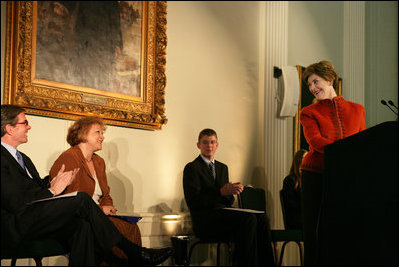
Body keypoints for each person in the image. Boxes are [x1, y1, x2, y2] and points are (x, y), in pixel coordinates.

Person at [1, 104, 173, 266]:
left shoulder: (24, 158)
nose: (29, 127)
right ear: (10, 128)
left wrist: (51, 182)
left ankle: (124, 258)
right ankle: (135, 253)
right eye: (25, 123)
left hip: (35, 218)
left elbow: (36, 189)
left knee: (82, 227)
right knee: (82, 198)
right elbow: (15, 202)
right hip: (15, 224)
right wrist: (52, 190)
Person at [299, 60, 367, 265]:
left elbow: (363, 143)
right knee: (315, 231)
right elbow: (316, 142)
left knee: (344, 229)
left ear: (330, 80)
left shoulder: (358, 110)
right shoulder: (308, 112)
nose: (312, 88)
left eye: (316, 81)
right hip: (316, 176)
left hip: (346, 177)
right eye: (309, 84)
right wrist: (346, 153)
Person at [48, 116, 139, 264]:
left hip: (98, 216)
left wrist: (108, 206)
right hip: (77, 219)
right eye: (98, 132)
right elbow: (69, 199)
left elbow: (106, 193)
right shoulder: (69, 157)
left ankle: (136, 258)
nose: (102, 137)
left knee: (131, 226)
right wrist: (99, 209)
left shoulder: (99, 162)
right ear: (83, 134)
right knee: (118, 227)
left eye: (102, 133)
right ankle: (134, 256)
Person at [183, 128, 275, 266]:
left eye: (212, 142)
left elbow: (228, 201)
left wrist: (232, 192)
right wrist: (221, 192)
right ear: (198, 145)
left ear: (217, 145)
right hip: (205, 220)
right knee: (248, 220)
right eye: (205, 142)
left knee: (262, 218)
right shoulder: (192, 168)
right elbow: (194, 201)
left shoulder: (222, 168)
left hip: (223, 214)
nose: (209, 146)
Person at [281, 149, 308, 230]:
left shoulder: (307, 179)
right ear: (299, 160)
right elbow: (291, 205)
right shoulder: (289, 180)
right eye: (305, 158)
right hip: (296, 220)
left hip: (306, 217)